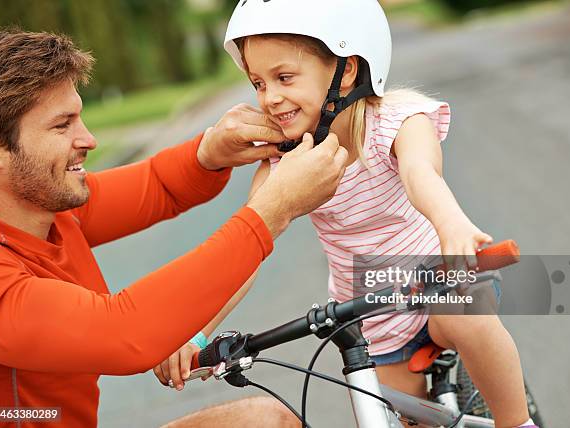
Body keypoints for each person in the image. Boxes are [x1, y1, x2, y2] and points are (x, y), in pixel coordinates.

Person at [164, 1, 537, 427]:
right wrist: (196, 329)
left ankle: (518, 422)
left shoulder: (396, 122)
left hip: (439, 279)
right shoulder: (285, 161)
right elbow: (248, 247)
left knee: (461, 308)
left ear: (346, 71)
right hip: (371, 317)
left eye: (284, 77)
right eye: (258, 83)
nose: (269, 98)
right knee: (394, 416)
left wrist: (452, 226)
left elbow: (421, 175)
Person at [0, 29, 348, 428]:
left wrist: (211, 152)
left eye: (80, 117)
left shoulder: (46, 207)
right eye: (62, 126)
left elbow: (158, 185)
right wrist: (272, 211)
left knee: (265, 423)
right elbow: (123, 331)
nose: (88, 139)